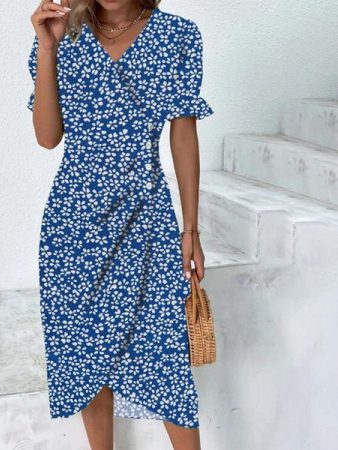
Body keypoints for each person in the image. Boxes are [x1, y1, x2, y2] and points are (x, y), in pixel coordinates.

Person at [28, 1, 214, 449]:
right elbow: (48, 137)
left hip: (145, 219)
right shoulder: (62, 37)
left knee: (164, 356)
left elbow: (183, 133)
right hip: (73, 224)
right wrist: (47, 46)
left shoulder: (177, 34)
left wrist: (190, 230)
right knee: (86, 356)